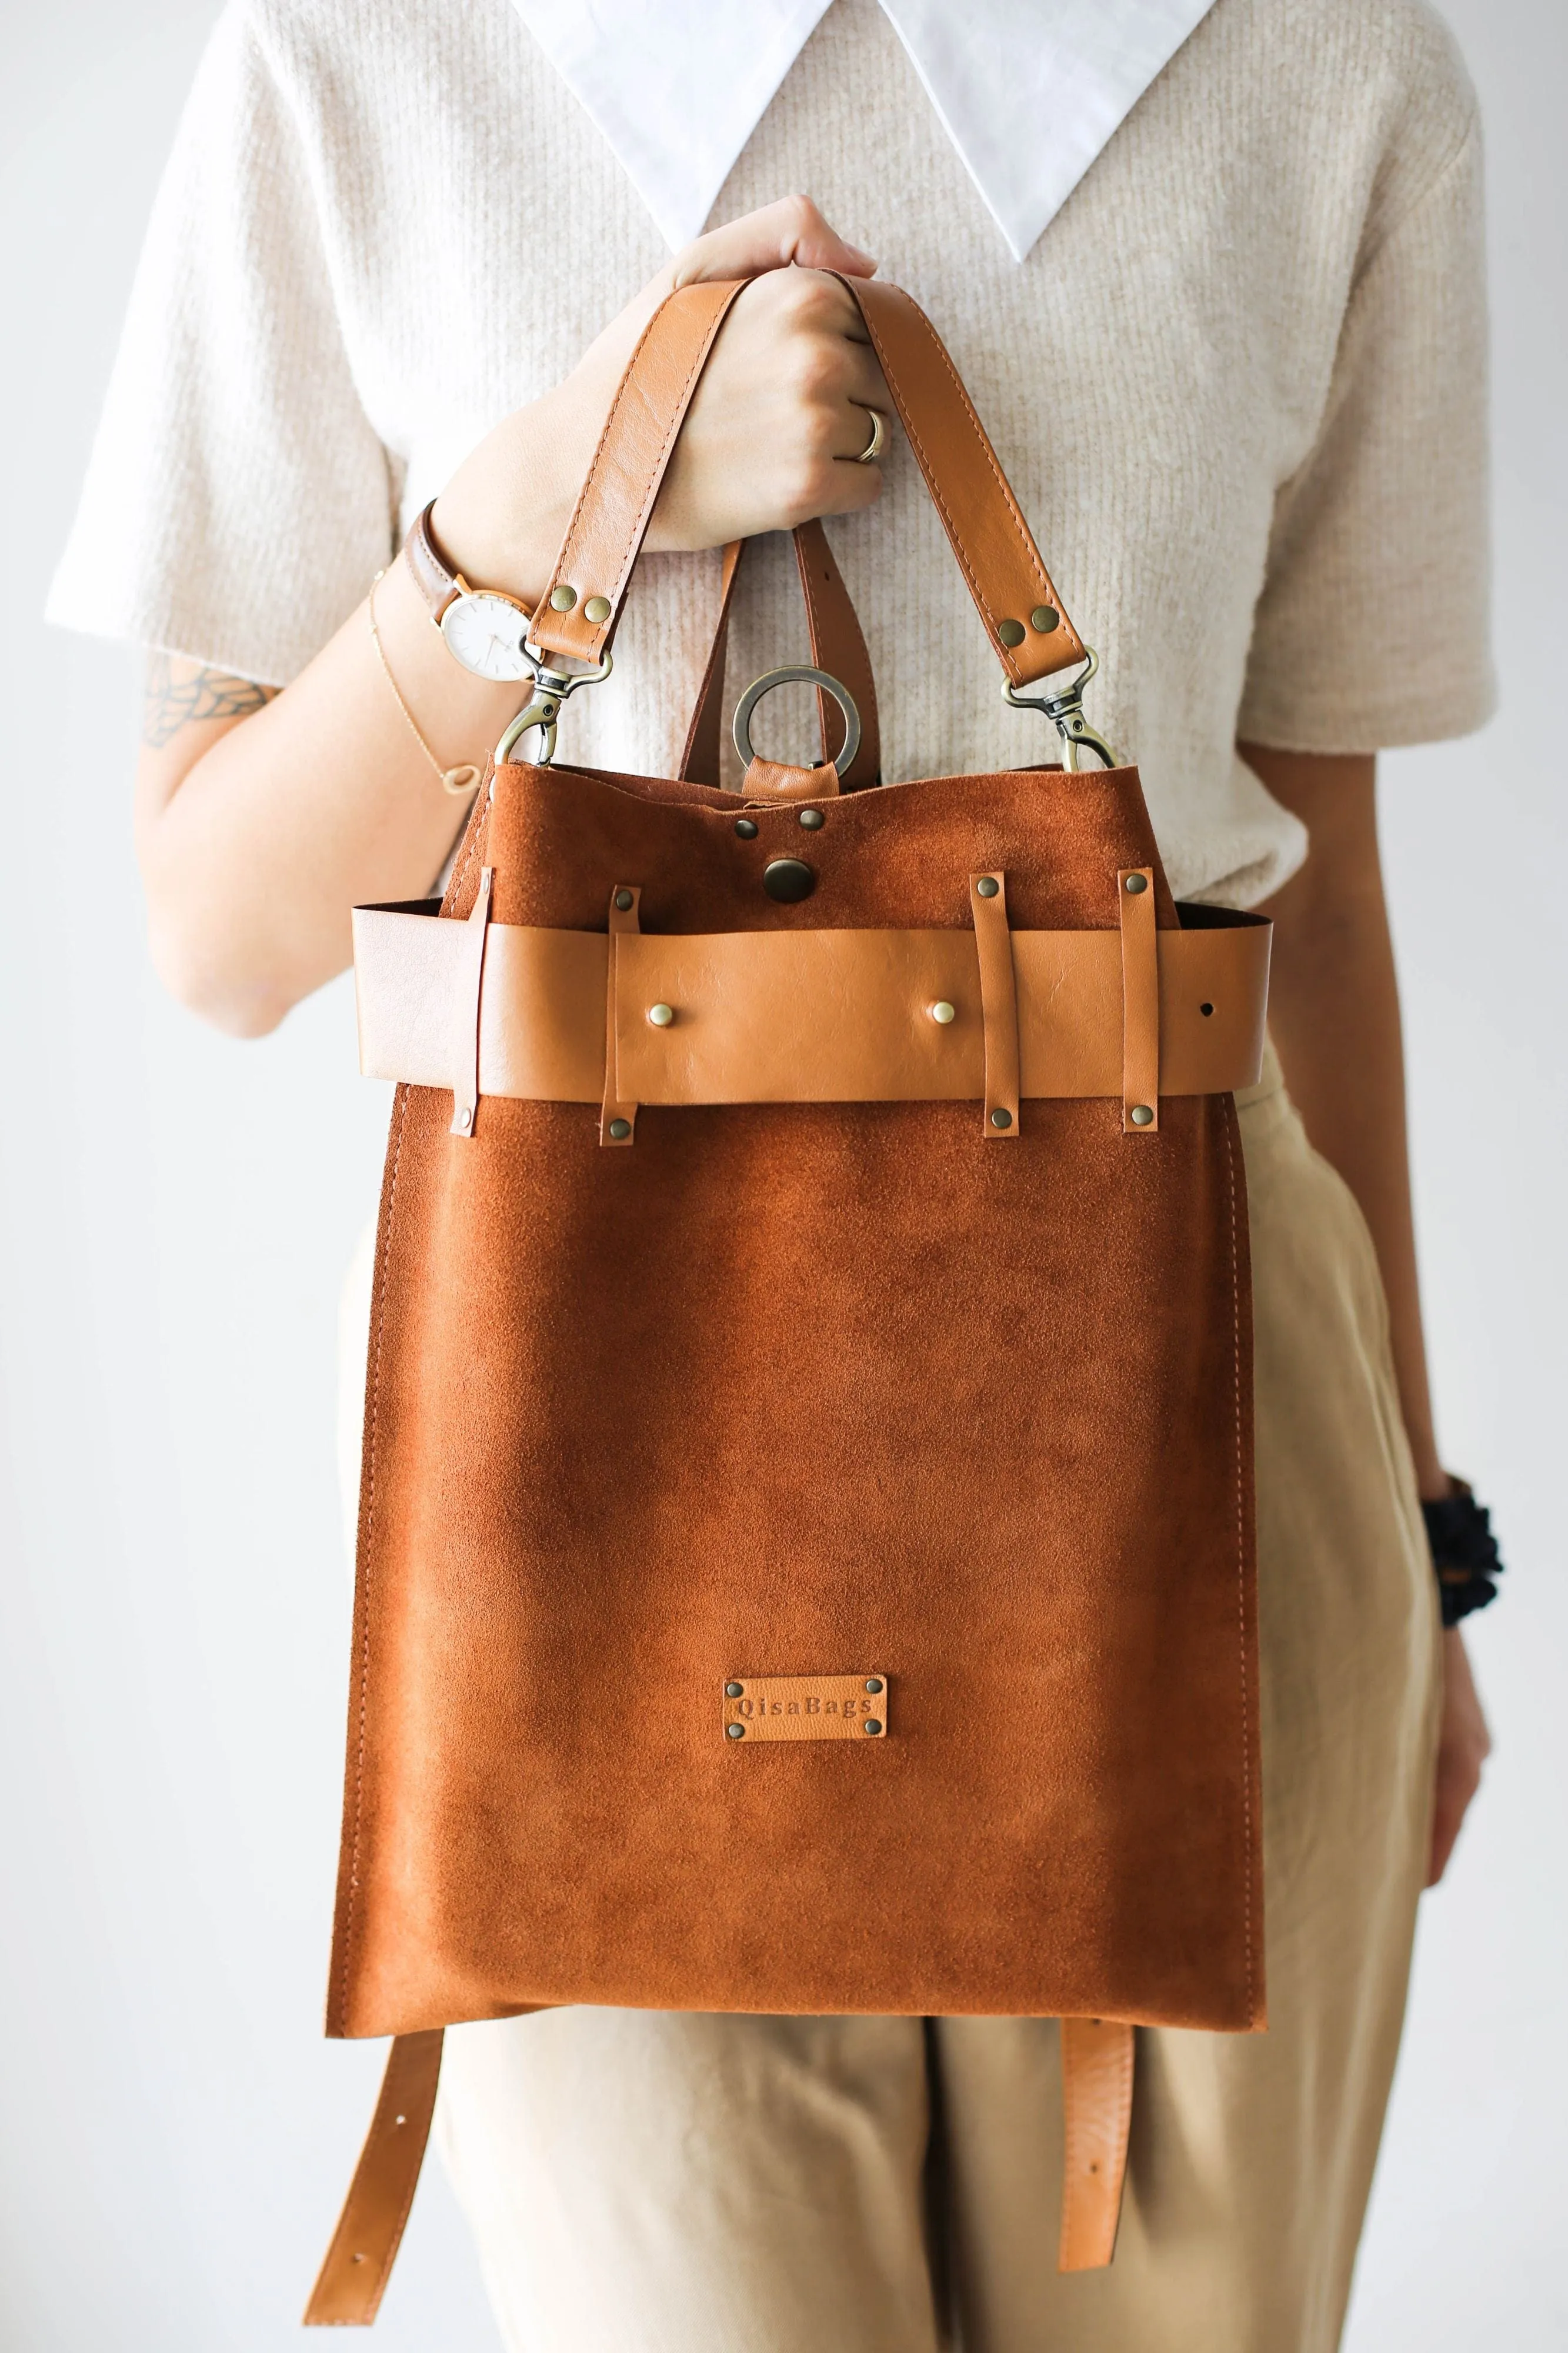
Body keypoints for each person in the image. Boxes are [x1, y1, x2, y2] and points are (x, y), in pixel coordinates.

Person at [49, 0, 1499, 2345]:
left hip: (1204, 1476)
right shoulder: (356, 54)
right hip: (576, 1490)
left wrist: (1417, 1540)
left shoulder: (1328, 67)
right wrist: (542, 518)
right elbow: (220, 934)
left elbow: (1312, 882)